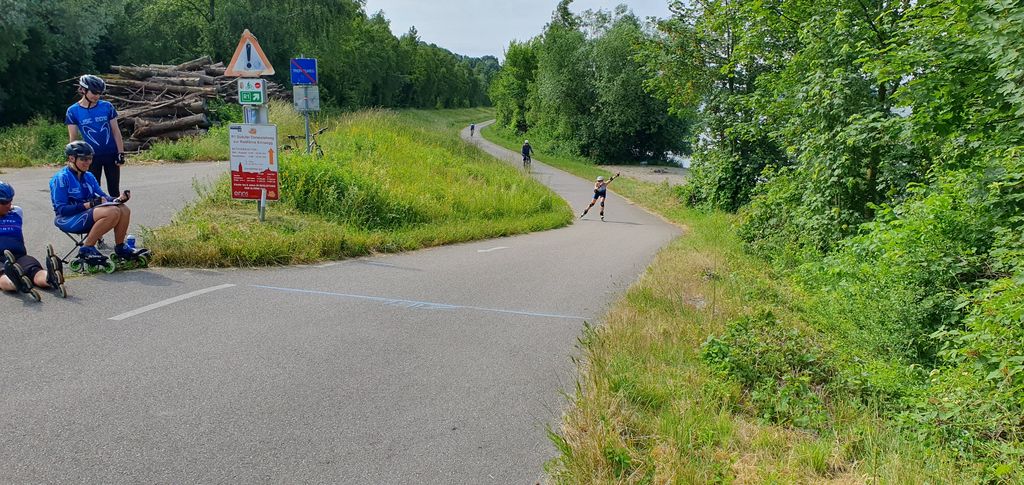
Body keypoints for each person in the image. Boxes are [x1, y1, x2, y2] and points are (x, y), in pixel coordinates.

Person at [50, 141, 146, 266]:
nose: (88, 162)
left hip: (87, 213)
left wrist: (119, 199)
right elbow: (62, 210)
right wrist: (89, 204)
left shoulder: (89, 176)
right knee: (113, 212)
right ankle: (86, 249)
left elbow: (103, 197)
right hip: (67, 218)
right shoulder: (61, 178)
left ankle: (120, 247)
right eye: (84, 159)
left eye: (90, 158)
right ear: (71, 158)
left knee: (123, 209)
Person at [0, 181, 65, 300]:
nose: (8, 205)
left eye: (10, 200)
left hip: (19, 256)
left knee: (34, 270)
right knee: (3, 275)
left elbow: (13, 207)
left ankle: (50, 278)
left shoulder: (16, 212)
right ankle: (16, 282)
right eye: (4, 202)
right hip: (1, 259)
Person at [66, 74, 126, 197]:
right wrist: (73, 157)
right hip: (90, 157)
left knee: (114, 190)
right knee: (93, 192)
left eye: (100, 93)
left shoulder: (107, 106)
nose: (97, 96)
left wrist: (120, 152)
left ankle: (116, 209)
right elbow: (73, 138)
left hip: (111, 153)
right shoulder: (73, 111)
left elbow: (116, 131)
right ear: (83, 90)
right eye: (94, 92)